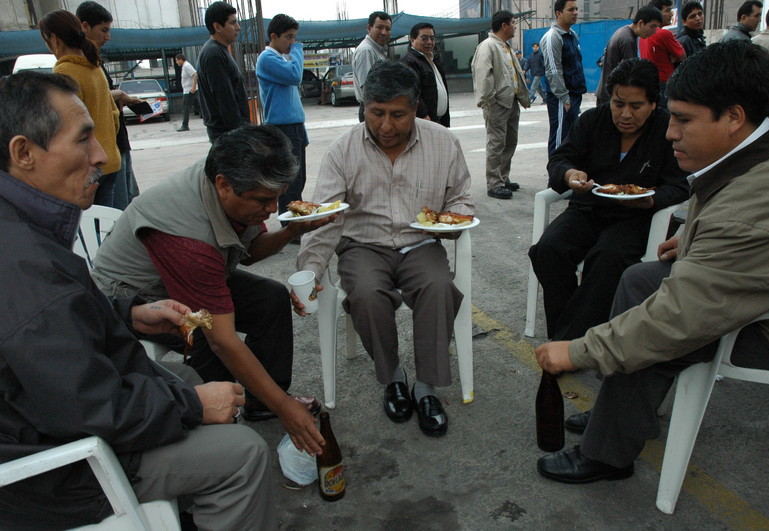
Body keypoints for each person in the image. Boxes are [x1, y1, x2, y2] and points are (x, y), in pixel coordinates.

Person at [0, 71, 275, 530]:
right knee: (246, 454)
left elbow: (51, 325)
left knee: (185, 372)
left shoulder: (25, 232)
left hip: (44, 414)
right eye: (84, 140)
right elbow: (88, 409)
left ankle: (188, 507)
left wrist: (128, 313)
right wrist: (192, 406)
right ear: (24, 153)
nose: (102, 156)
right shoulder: (23, 265)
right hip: (53, 467)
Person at [535, 41, 769, 485]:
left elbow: (678, 318)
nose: (671, 132)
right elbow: (719, 191)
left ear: (734, 116)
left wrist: (578, 351)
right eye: (671, 117)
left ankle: (607, 453)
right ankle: (618, 419)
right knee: (637, 278)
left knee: (649, 310)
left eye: (683, 120)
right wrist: (696, 238)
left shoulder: (750, 212)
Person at [90, 125, 336, 454]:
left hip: (192, 276)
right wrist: (286, 410)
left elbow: (250, 254)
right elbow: (224, 340)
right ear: (223, 185)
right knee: (207, 338)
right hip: (135, 298)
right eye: (263, 200)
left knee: (270, 298)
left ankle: (261, 400)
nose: (271, 208)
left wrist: (292, 230)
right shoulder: (190, 237)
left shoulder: (231, 182)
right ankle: (222, 420)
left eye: (276, 197)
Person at [296, 61, 474, 437]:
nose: (386, 126)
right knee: (365, 292)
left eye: (398, 114)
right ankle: (393, 376)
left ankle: (426, 387)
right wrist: (311, 269)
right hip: (363, 245)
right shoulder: (343, 150)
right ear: (364, 106)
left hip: (421, 242)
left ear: (415, 109)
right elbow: (324, 216)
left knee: (438, 286)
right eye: (376, 113)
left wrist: (453, 221)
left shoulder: (443, 142)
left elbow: (460, 197)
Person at [529, 58, 689, 341]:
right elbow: (561, 159)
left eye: (636, 106)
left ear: (653, 103)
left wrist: (651, 201)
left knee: (607, 257)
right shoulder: (592, 121)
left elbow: (679, 185)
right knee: (548, 249)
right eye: (618, 104)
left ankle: (569, 341)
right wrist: (569, 174)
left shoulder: (667, 130)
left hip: (637, 217)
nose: (625, 114)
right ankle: (571, 332)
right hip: (589, 208)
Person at [39, 10, 120, 209]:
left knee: (89, 230)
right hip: (110, 159)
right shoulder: (95, 67)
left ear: (53, 39)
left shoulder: (64, 71)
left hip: (88, 167)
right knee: (106, 225)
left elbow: (66, 127)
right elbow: (114, 115)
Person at [77, 0, 140, 208]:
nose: (107, 37)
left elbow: (101, 97)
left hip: (116, 145)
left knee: (126, 202)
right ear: (84, 26)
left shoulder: (94, 63)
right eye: (103, 30)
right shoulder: (73, 69)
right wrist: (117, 94)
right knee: (114, 213)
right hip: (105, 152)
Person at [256, 13, 308, 228]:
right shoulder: (267, 59)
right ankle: (291, 222)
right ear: (274, 36)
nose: (292, 42)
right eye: (288, 37)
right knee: (291, 178)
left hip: (293, 126)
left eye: (294, 37)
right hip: (282, 127)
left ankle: (294, 216)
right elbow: (295, 76)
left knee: (298, 176)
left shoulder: (280, 58)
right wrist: (298, 50)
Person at [471, 10, 530, 199]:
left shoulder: (506, 47)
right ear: (504, 25)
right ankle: (494, 183)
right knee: (496, 143)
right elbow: (482, 75)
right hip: (496, 103)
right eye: (513, 23)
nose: (515, 27)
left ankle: (503, 177)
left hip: (511, 101)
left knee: (510, 141)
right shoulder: (487, 46)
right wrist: (490, 99)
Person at [197, 1, 250, 142]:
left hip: (231, 133)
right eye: (232, 23)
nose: (238, 27)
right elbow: (225, 99)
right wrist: (240, 135)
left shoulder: (219, 50)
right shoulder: (213, 53)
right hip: (228, 136)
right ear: (217, 26)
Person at [540, 0, 587, 157]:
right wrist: (564, 98)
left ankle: (567, 172)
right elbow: (553, 71)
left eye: (576, 9)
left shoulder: (572, 35)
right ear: (558, 13)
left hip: (574, 93)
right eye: (570, 10)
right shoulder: (553, 37)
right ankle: (555, 176)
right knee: (559, 136)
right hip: (561, 97)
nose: (575, 13)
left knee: (571, 136)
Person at [595, 6, 662, 105]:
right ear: (640, 23)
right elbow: (633, 72)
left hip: (606, 92)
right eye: (652, 26)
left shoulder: (623, 32)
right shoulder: (628, 40)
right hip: (612, 96)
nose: (654, 31)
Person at [399, 22, 451, 127]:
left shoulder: (433, 59)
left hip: (438, 120)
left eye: (432, 38)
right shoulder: (409, 62)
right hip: (425, 121)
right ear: (412, 39)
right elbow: (411, 93)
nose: (429, 42)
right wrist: (423, 115)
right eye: (424, 38)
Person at [639, 0, 686, 109]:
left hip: (650, 83)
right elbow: (682, 56)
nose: (672, 14)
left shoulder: (643, 35)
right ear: (657, 13)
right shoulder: (664, 34)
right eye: (668, 10)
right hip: (664, 84)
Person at [353, 11, 392, 122]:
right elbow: (369, 88)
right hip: (374, 111)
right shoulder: (366, 51)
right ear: (369, 28)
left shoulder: (378, 49)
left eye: (388, 29)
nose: (384, 32)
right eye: (379, 27)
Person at [175, 53, 197, 132]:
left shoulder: (187, 66)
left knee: (186, 108)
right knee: (198, 106)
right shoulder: (184, 67)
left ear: (181, 59)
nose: (176, 62)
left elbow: (195, 74)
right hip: (187, 90)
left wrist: (194, 87)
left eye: (177, 61)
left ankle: (185, 125)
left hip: (190, 91)